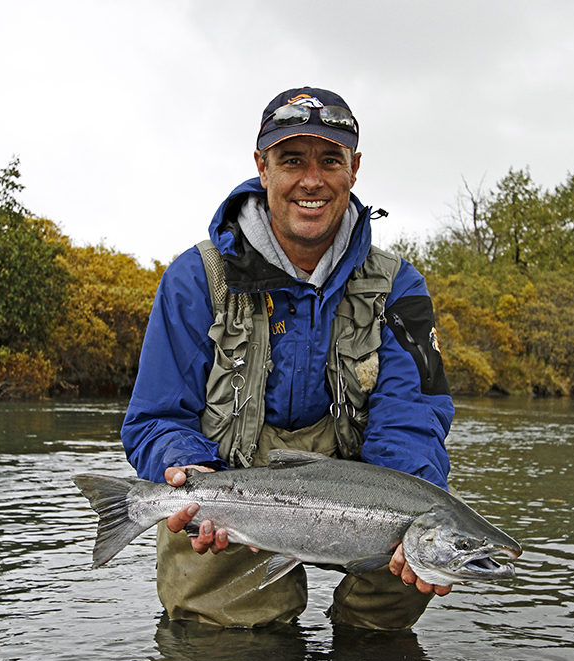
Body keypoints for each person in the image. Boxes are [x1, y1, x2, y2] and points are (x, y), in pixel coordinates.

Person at [121, 86, 455, 630]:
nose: (312, 180)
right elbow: (157, 416)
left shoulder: (400, 287)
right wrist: (187, 471)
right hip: (230, 487)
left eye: (330, 160)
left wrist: (404, 504)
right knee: (229, 645)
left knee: (424, 539)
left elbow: (413, 417)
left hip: (361, 489)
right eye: (291, 160)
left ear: (355, 169)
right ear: (262, 166)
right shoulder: (194, 279)